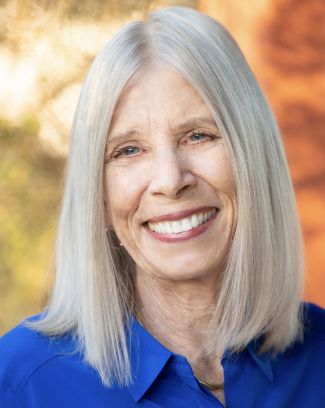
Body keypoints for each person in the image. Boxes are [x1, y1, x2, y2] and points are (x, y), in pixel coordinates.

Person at [0, 6, 324, 408]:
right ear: (98, 195)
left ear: (253, 159)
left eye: (199, 136)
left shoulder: (319, 361)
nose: (170, 180)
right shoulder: (21, 385)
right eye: (129, 150)